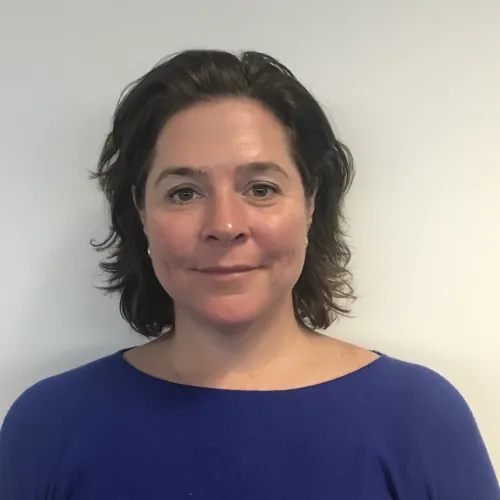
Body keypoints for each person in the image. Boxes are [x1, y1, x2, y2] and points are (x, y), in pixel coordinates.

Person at [0, 49, 498, 499]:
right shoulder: (48, 425)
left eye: (260, 188)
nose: (225, 225)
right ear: (140, 212)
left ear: (310, 204)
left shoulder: (420, 418)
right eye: (184, 192)